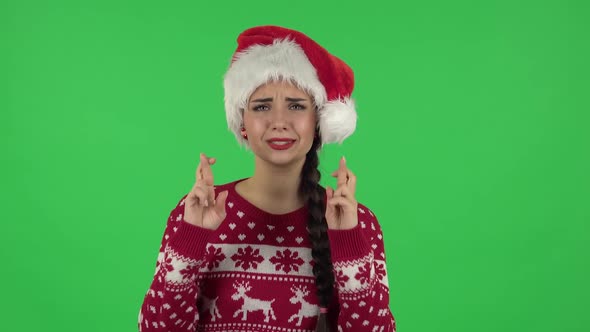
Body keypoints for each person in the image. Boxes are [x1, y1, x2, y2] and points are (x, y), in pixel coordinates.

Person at [138, 25, 396, 332]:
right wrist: (191, 240)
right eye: (262, 107)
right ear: (242, 122)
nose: (278, 122)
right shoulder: (197, 213)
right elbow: (156, 327)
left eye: (296, 106)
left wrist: (348, 241)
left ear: (317, 122)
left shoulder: (357, 223)